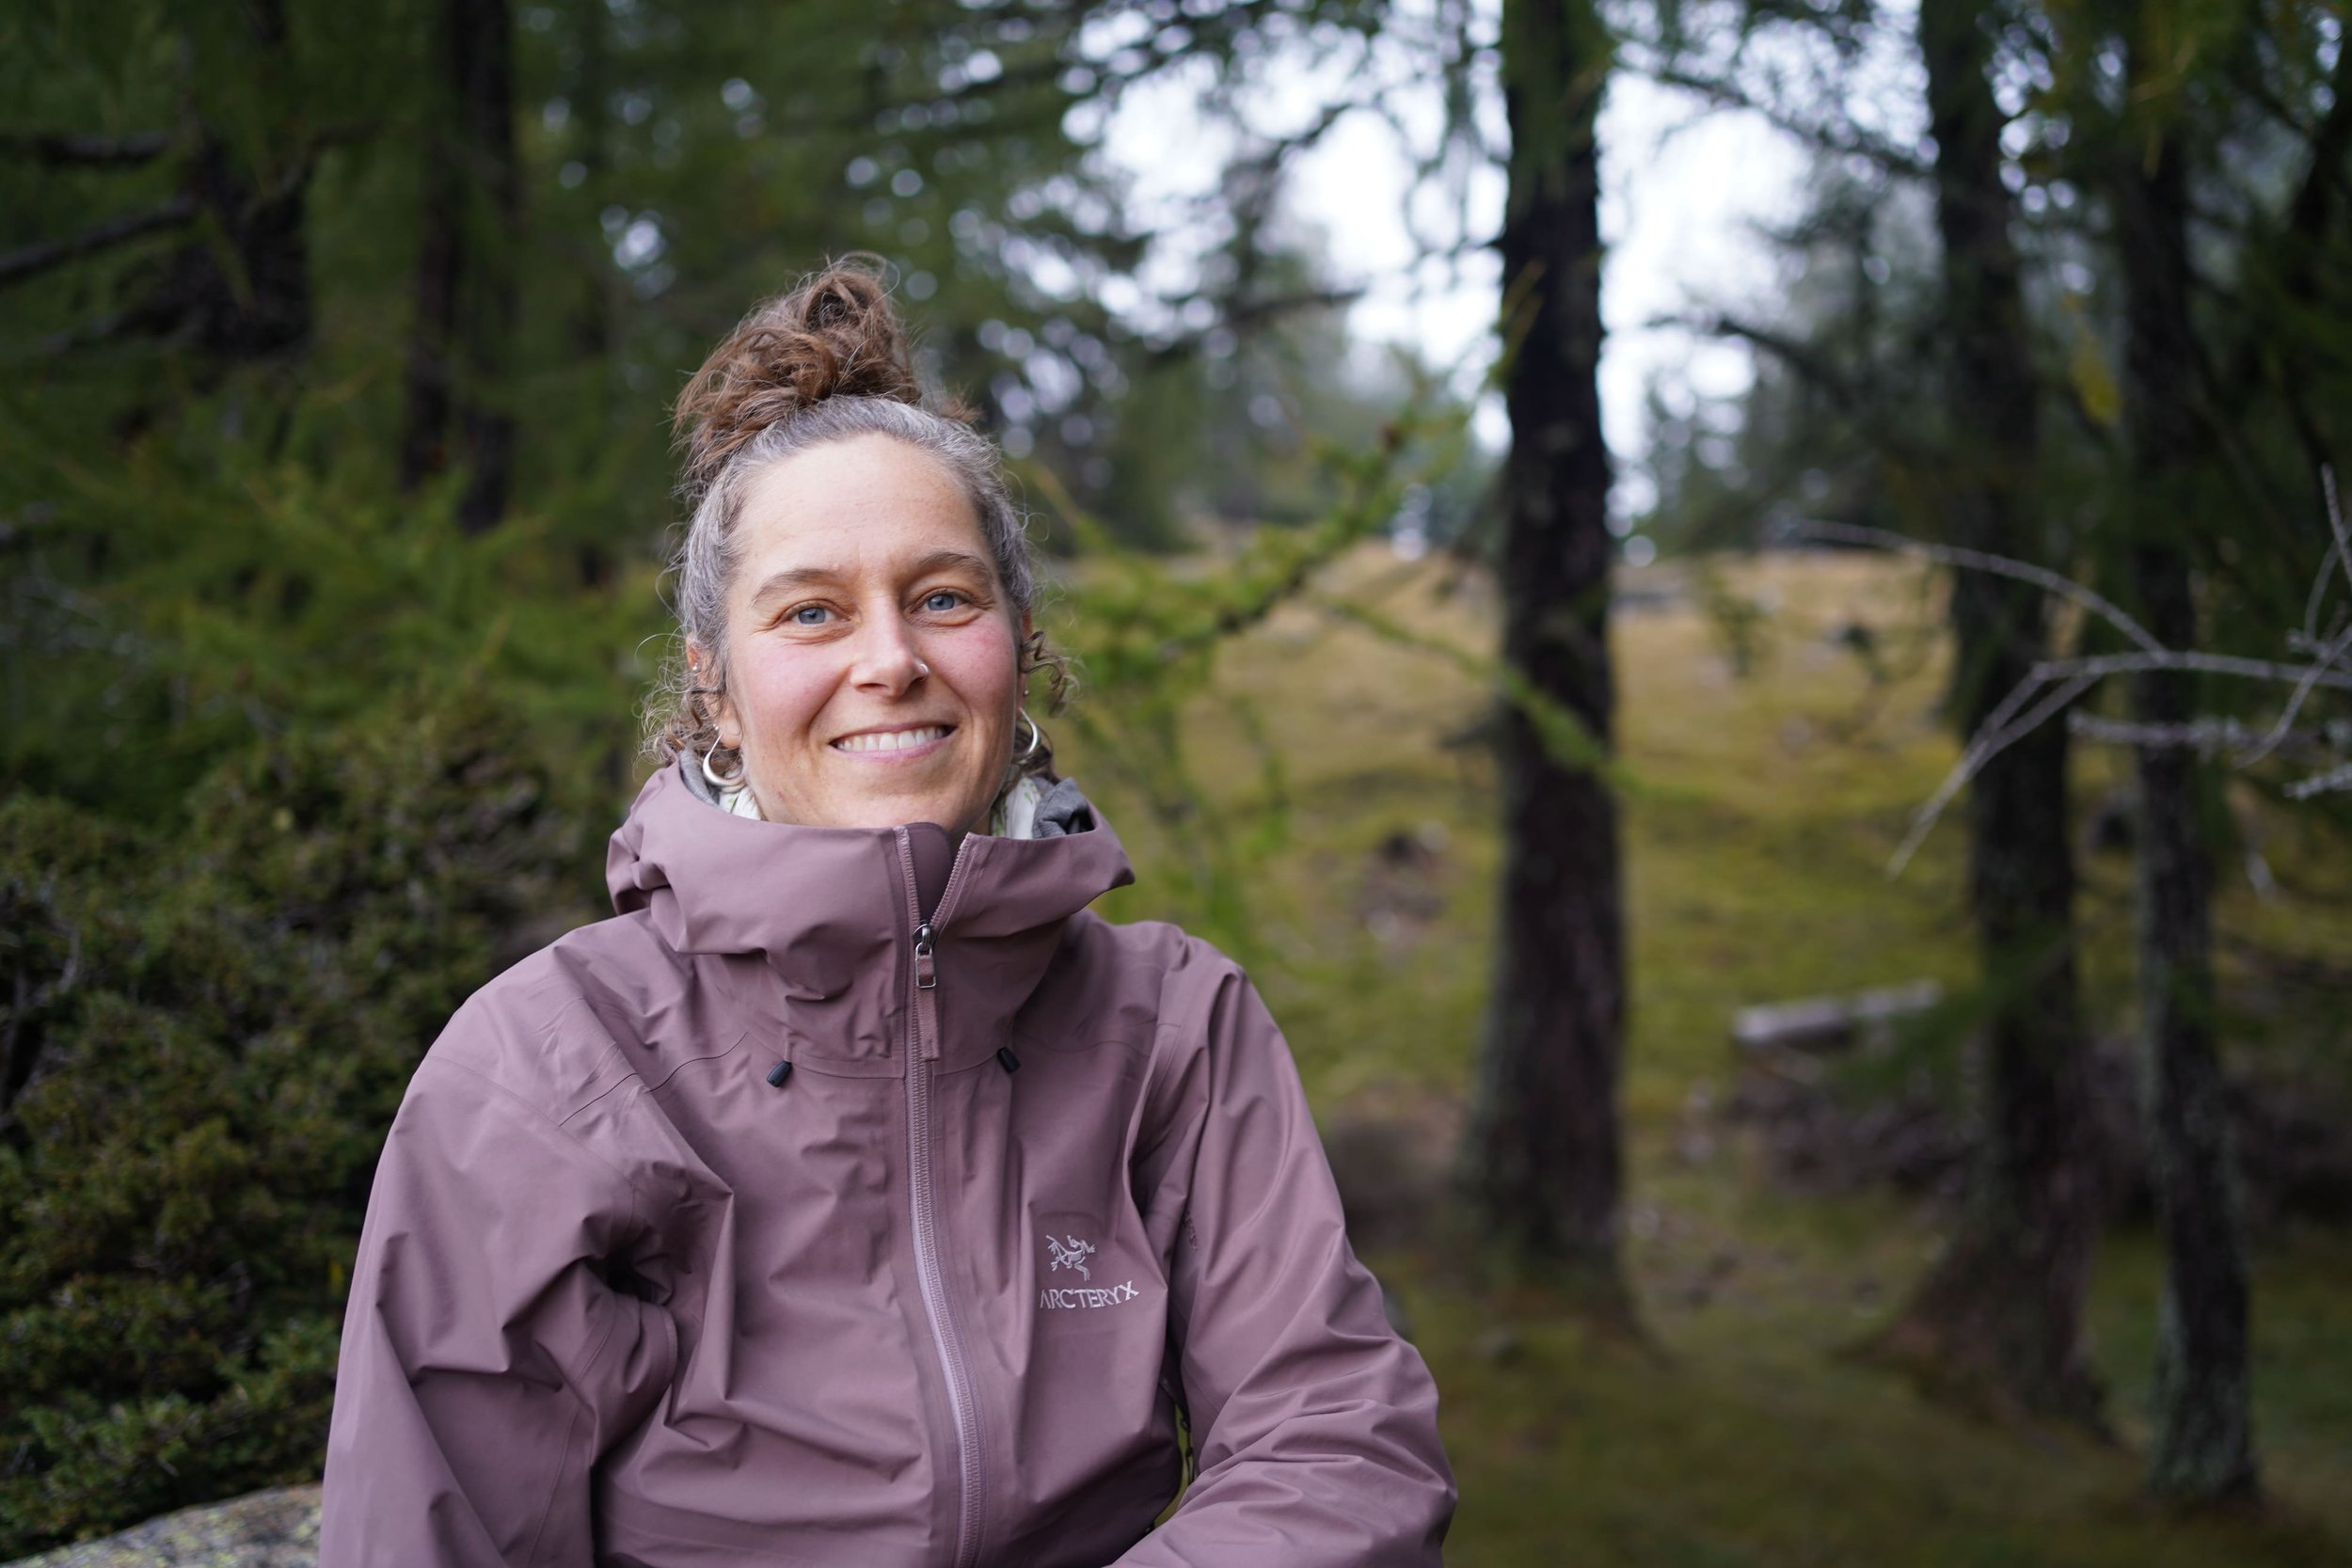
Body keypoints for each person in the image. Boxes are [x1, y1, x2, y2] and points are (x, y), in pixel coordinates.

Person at [319, 259, 1455, 1567]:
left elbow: (1337, 1444)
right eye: (812, 611)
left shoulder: (1174, 1028)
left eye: (942, 597)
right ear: (716, 693)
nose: (888, 660)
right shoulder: (545, 1065)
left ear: (1016, 643)